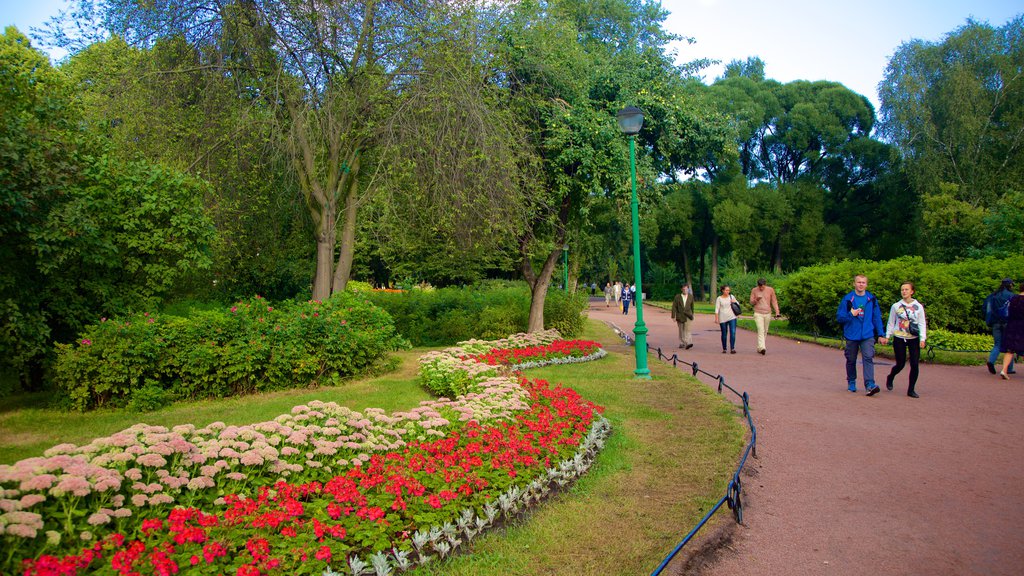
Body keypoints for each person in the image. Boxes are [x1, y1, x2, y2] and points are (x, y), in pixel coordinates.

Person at [836, 274, 885, 395]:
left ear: (866, 285)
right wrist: (851, 314)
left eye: (863, 282)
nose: (861, 284)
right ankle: (851, 381)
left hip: (867, 334)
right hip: (852, 334)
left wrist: (881, 333)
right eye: (859, 282)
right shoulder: (847, 299)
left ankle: (870, 384)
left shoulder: (871, 299)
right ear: (854, 284)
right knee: (851, 359)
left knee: (868, 357)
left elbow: (876, 317)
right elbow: (839, 317)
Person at [879, 282, 927, 398]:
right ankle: (891, 376)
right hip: (899, 337)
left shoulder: (918, 306)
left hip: (913, 338)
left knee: (914, 364)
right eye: (902, 290)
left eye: (906, 289)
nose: (904, 292)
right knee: (900, 364)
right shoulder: (896, 306)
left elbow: (921, 323)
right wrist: (887, 336)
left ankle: (911, 389)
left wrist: (922, 338)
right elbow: (891, 322)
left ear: (912, 291)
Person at [984, 279, 1016, 375]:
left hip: (995, 322)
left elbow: (986, 307)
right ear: (1009, 285)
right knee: (1010, 346)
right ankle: (1009, 368)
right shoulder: (1012, 296)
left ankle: (991, 360)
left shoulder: (994, 295)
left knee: (997, 344)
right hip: (1007, 323)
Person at [749, 278, 781, 355]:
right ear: (757, 285)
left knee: (765, 330)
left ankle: (759, 347)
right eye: (759, 287)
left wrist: (777, 311)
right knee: (761, 330)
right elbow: (751, 302)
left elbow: (774, 301)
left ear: (765, 285)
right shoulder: (754, 290)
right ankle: (763, 347)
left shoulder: (770, 290)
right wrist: (756, 299)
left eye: (762, 287)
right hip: (758, 313)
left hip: (767, 313)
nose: (761, 288)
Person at [999, 280, 1024, 379]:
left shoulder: (1013, 298)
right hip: (1022, 326)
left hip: (1012, 326)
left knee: (1010, 350)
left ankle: (1004, 370)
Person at [714, 285, 739, 354]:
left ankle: (732, 348)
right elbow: (717, 308)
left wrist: (734, 301)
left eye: (728, 290)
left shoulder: (732, 296)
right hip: (722, 318)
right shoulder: (719, 298)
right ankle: (724, 348)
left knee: (733, 332)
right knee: (724, 333)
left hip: (732, 317)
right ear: (723, 290)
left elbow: (737, 304)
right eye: (726, 290)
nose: (728, 291)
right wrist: (716, 318)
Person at [671, 283, 695, 349]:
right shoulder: (677, 297)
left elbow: (692, 306)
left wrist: (692, 314)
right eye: (683, 289)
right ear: (681, 289)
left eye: (686, 289)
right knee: (681, 330)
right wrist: (673, 316)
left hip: (688, 316)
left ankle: (688, 343)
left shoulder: (690, 296)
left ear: (688, 289)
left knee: (687, 330)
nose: (685, 290)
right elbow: (674, 307)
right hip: (680, 316)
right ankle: (683, 342)